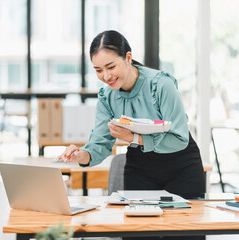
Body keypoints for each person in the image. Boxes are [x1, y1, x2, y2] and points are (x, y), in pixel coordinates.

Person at [57, 30, 205, 240]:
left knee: (182, 234)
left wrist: (135, 139)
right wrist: (81, 155)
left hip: (181, 166)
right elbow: (99, 143)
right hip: (141, 167)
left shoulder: (161, 85)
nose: (106, 76)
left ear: (128, 57)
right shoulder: (107, 96)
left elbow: (179, 138)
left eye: (111, 67)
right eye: (98, 70)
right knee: (137, 233)